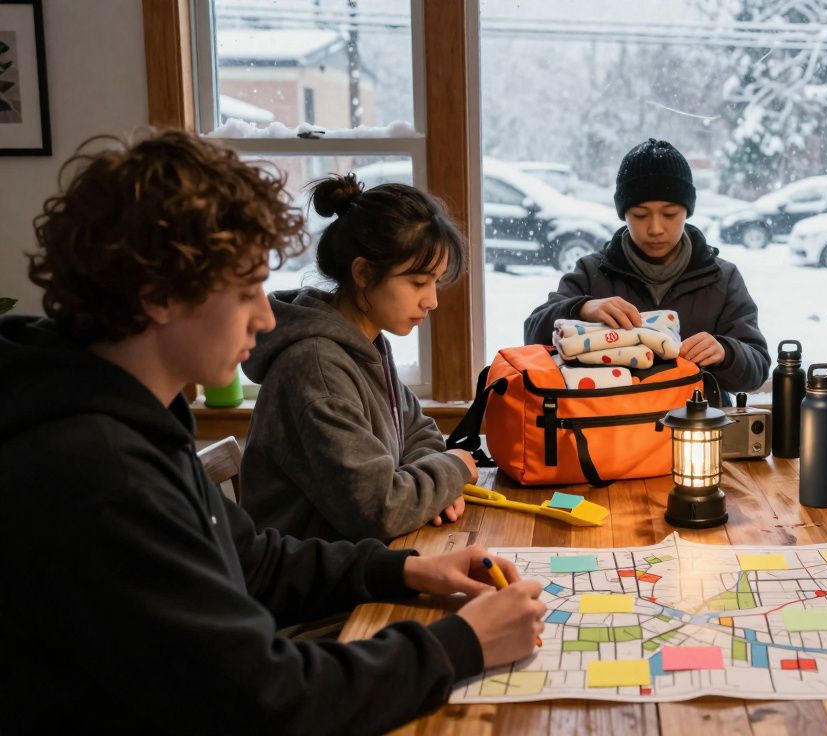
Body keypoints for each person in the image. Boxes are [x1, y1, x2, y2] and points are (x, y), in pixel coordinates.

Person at [0, 130, 545, 733]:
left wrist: (404, 570)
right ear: (157, 296)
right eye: (244, 291)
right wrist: (461, 644)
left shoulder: (133, 415)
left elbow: (254, 561)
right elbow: (265, 698)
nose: (265, 317)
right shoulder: (97, 470)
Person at [241, 174, 475, 542]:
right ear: (364, 272)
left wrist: (433, 488)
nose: (432, 301)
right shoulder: (316, 369)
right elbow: (379, 509)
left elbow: (416, 431)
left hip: (359, 566)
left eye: (435, 283)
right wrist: (452, 471)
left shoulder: (364, 343)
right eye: (418, 283)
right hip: (318, 591)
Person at [524, 138, 769, 395]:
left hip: (700, 429)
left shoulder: (722, 278)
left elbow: (757, 369)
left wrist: (726, 353)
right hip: (611, 429)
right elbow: (532, 335)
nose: (655, 228)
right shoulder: (592, 273)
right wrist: (581, 308)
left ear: (688, 211)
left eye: (670, 214)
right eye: (640, 215)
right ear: (623, 213)